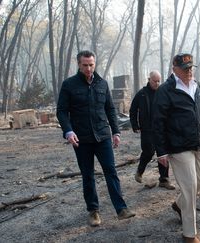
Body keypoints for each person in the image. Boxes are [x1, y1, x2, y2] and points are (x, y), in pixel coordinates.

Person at [57, 50, 135, 227]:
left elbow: (110, 109)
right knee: (88, 175)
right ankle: (93, 211)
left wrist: (116, 132)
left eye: (91, 64)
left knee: (111, 171)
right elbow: (61, 111)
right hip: (81, 138)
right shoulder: (69, 85)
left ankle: (121, 209)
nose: (88, 68)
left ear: (95, 63)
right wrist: (68, 131)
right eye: (85, 65)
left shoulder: (102, 84)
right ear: (78, 64)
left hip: (102, 136)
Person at [153, 53, 200, 243]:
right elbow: (158, 122)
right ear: (174, 69)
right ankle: (190, 235)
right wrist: (160, 150)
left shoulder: (197, 86)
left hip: (198, 142)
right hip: (178, 146)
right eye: (185, 69)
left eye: (191, 68)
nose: (189, 72)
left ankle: (179, 205)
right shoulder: (165, 90)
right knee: (189, 187)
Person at [129, 70, 175, 190]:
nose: (157, 83)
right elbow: (133, 110)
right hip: (147, 129)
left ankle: (164, 180)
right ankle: (140, 171)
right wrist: (135, 125)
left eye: (159, 81)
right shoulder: (142, 94)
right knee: (148, 152)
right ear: (149, 79)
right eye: (155, 81)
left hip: (161, 128)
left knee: (163, 153)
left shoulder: (162, 93)